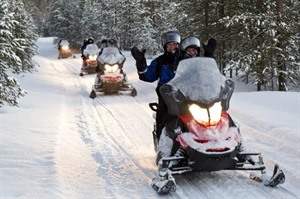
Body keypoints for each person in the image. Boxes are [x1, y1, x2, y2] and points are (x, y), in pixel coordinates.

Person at [131, 30, 182, 148]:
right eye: (169, 45)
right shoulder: (160, 61)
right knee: (163, 119)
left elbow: (199, 70)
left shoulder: (185, 59)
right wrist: (141, 63)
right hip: (167, 99)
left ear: (178, 45)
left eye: (174, 44)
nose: (172, 47)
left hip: (187, 95)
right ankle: (162, 147)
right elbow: (147, 76)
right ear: (165, 46)